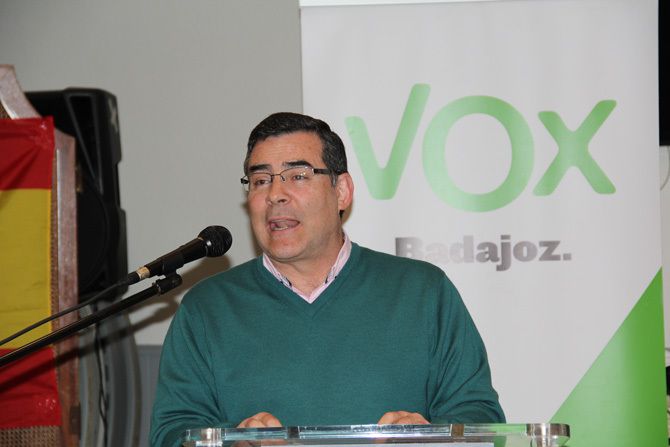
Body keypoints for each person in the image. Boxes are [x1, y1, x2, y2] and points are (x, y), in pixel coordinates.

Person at [150, 112, 504, 447]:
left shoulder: (422, 291)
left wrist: (429, 437)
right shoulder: (207, 308)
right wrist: (233, 442)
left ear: (342, 191)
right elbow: (171, 433)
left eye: (297, 176)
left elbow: (480, 417)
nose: (275, 195)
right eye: (260, 181)